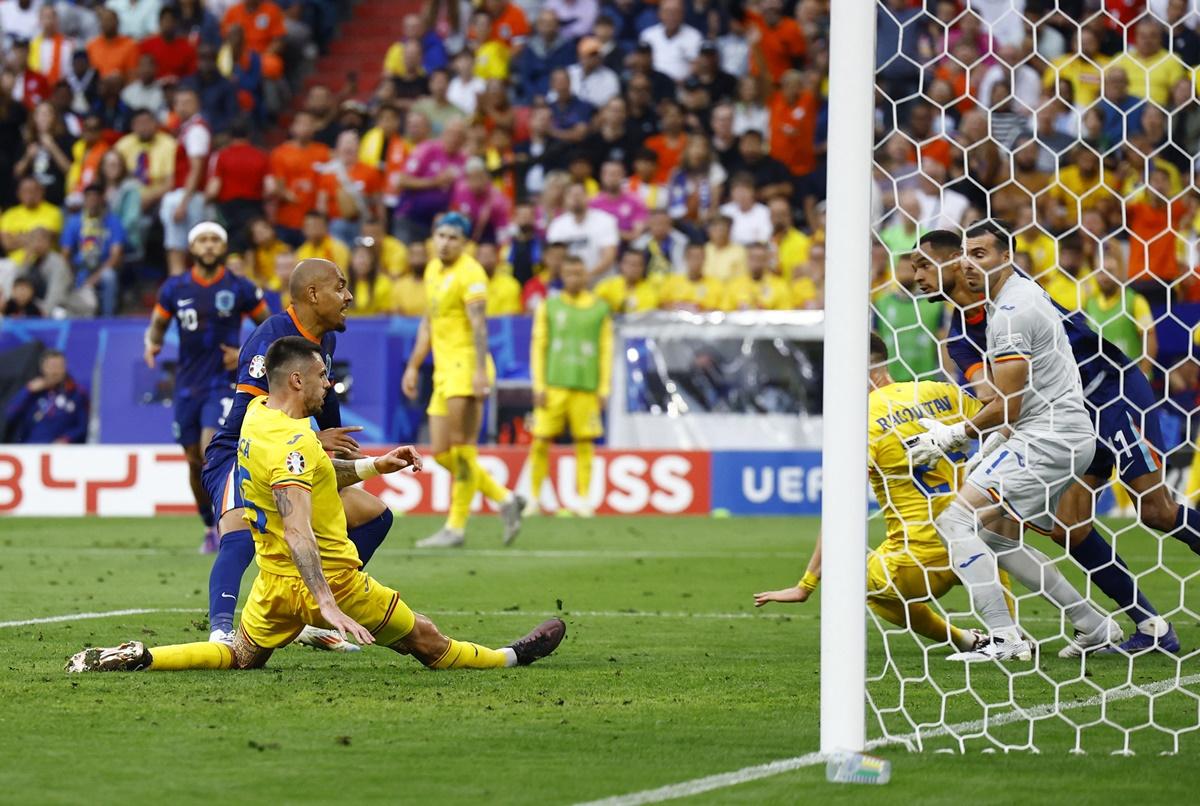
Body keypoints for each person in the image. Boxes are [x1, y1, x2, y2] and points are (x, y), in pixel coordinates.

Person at [68, 336, 566, 674]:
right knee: (429, 643)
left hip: (273, 586)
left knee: (241, 656)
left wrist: (375, 466)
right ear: (298, 381)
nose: (330, 384)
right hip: (334, 582)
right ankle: (510, 657)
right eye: (323, 375)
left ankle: (144, 656)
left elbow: (318, 478)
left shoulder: (259, 418)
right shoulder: (297, 443)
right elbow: (299, 527)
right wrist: (328, 604)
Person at [913, 228, 1184, 654]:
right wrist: (990, 438)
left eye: (925, 263)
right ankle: (1150, 627)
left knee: (1157, 511)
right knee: (1069, 529)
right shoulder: (961, 342)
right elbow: (997, 400)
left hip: (1109, 391)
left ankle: (1019, 635)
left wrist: (957, 436)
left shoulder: (1014, 294)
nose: (916, 276)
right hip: (1056, 423)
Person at [755, 333, 1002, 656]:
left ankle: (963, 639)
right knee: (999, 539)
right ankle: (1012, 633)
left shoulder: (859, 423)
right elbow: (1002, 417)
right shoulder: (939, 392)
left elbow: (841, 514)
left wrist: (806, 585)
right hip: (979, 543)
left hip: (918, 559)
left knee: (854, 580)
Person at [199, 257, 397, 651]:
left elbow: (323, 408)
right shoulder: (270, 339)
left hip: (293, 456)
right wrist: (313, 440)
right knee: (239, 528)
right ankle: (222, 631)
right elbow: (247, 421)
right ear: (312, 294)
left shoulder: (326, 339)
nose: (349, 296)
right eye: (340, 287)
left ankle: (310, 611)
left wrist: (327, 440)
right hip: (241, 451)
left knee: (376, 516)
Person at [402, 213, 525, 548]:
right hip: (443, 370)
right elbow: (428, 322)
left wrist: (481, 371)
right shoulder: (431, 270)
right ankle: (504, 498)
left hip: (467, 367)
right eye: (440, 235)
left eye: (453, 237)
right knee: (442, 452)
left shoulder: (471, 274)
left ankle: (455, 528)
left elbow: (480, 325)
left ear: (465, 242)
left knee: (462, 448)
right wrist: (414, 366)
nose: (445, 242)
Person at [144, 223, 270, 552]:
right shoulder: (175, 287)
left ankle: (227, 522)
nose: (210, 245)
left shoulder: (240, 287)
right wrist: (152, 344)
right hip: (188, 383)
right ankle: (208, 525)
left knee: (208, 448)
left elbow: (270, 329)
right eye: (203, 240)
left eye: (215, 239)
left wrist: (244, 354)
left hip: (225, 382)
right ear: (192, 247)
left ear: (224, 246)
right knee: (192, 460)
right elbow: (158, 324)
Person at [526, 255, 611, 518]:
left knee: (585, 442)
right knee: (540, 441)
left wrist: (604, 388)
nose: (575, 278)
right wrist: (538, 384)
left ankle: (585, 500)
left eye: (579, 273)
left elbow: (606, 350)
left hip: (586, 386)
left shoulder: (599, 308)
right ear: (562, 276)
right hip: (553, 385)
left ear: (586, 276)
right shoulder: (549, 306)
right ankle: (533, 498)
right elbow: (538, 346)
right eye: (570, 273)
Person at [159, 88, 211, 275]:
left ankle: (178, 294)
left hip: (187, 197)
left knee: (177, 251)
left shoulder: (196, 130)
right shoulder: (187, 128)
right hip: (187, 195)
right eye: (178, 102)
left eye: (187, 102)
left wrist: (183, 202)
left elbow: (196, 168)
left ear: (197, 104)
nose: (181, 107)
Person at [873, 254, 943, 382]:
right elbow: (875, 340)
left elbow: (943, 340)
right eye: (901, 270)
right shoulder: (881, 303)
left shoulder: (934, 303)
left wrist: (949, 374)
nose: (905, 274)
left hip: (926, 381)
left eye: (908, 270)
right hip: (891, 381)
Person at [60, 184, 124, 316]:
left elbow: (116, 256)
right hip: (79, 269)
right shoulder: (74, 221)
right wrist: (70, 274)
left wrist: (95, 278)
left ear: (102, 199)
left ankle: (108, 317)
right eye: (89, 197)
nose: (92, 201)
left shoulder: (113, 221)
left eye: (96, 197)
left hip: (103, 268)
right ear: (84, 199)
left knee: (109, 277)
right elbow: (65, 253)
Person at [4, 349, 89, 444]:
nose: (55, 371)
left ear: (65, 368)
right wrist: (27, 391)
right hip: (30, 447)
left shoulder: (76, 394)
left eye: (59, 366)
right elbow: (9, 414)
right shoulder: (31, 392)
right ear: (42, 368)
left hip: (60, 450)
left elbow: (82, 426)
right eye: (51, 366)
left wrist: (67, 438)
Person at [546, 181, 619, 281]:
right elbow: (555, 258)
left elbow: (609, 256)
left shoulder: (605, 220)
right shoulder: (557, 225)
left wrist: (587, 275)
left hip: (602, 283)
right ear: (565, 199)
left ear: (588, 197)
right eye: (572, 195)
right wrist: (573, 279)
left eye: (579, 194)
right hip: (570, 284)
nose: (576, 198)